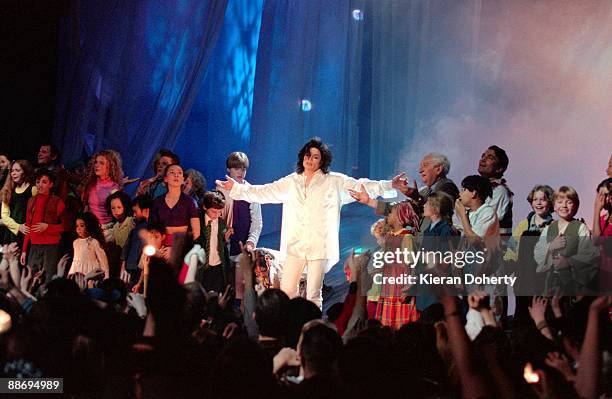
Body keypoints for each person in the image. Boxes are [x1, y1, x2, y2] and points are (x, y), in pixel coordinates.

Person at [216, 137, 401, 309]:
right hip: (295, 246)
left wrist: (388, 186)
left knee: (313, 293)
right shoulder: (292, 181)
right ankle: (291, 329)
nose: (310, 159)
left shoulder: (333, 181)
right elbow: (265, 191)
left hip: (319, 247)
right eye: (307, 155)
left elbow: (362, 185)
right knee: (287, 291)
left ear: (322, 161)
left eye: (315, 157)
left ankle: (311, 328)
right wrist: (238, 189)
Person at [534, 186, 599, 295]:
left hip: (572, 283)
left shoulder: (581, 228)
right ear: (554, 206)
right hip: (550, 282)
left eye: (569, 202)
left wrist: (568, 262)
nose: (564, 205)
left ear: (576, 206)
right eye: (559, 202)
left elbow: (588, 255)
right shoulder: (548, 228)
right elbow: (538, 254)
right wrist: (550, 247)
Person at [218, 151, 263, 301]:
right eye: (236, 168)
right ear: (229, 170)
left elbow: (257, 222)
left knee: (240, 288)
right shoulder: (220, 190)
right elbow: (216, 217)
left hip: (242, 245)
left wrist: (250, 243)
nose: (240, 172)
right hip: (223, 246)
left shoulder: (251, 191)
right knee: (223, 285)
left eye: (243, 169)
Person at [374, 152, 459, 231]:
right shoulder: (424, 191)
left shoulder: (447, 187)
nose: (420, 170)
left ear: (438, 169)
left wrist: (417, 198)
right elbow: (402, 209)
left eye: (425, 165)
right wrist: (369, 201)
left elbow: (438, 208)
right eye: (420, 166)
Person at [503, 185, 554, 300]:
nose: (539, 203)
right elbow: (513, 245)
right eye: (535, 199)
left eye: (543, 199)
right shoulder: (524, 224)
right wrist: (509, 261)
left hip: (543, 278)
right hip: (523, 277)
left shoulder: (553, 227)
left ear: (550, 202)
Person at [20, 169, 67, 283]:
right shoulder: (31, 201)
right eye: (38, 182)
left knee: (48, 279)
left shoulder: (57, 201)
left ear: (51, 184)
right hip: (34, 246)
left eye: (44, 182)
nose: (40, 185)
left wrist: (48, 227)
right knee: (30, 278)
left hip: (50, 246)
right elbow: (28, 226)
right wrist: (24, 250)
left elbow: (66, 226)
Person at [149, 164, 200, 246]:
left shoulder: (190, 202)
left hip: (183, 246)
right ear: (165, 178)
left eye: (179, 173)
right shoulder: (157, 202)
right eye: (172, 172)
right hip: (161, 246)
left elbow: (196, 232)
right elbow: (152, 228)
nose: (176, 175)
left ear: (183, 179)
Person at [195, 191, 231, 293]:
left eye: (219, 212)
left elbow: (222, 244)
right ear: (205, 207)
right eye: (213, 212)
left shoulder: (222, 223)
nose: (216, 215)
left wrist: (225, 239)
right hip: (202, 268)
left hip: (218, 267)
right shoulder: (198, 222)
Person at [80, 150, 124, 237]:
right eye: (96, 162)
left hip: (107, 231)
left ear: (110, 167)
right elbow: (86, 207)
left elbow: (118, 214)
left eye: (101, 163)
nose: (96, 165)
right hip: (90, 228)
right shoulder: (90, 185)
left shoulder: (113, 188)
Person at [477, 145, 513, 236]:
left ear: (499, 168)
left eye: (490, 158)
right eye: (483, 156)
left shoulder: (499, 191)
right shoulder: (477, 188)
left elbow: (485, 222)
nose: (483, 159)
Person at [1, 160, 35, 247]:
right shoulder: (8, 191)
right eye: (12, 171)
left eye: (17, 170)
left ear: (25, 172)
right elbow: (4, 216)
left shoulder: (33, 190)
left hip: (27, 232)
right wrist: (18, 227)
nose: (14, 173)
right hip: (11, 232)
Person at [121, 194, 153, 286]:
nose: (134, 215)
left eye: (136, 211)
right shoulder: (135, 228)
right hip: (131, 265)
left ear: (146, 211)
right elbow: (127, 245)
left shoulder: (151, 228)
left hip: (142, 266)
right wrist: (124, 261)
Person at [67, 212, 109, 279]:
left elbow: (103, 261)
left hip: (91, 272)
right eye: (77, 226)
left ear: (89, 226)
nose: (78, 228)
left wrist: (106, 277)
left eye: (82, 226)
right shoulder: (75, 242)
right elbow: (75, 262)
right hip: (77, 272)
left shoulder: (94, 242)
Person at [593, 178, 612, 292]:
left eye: (605, 195)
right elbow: (596, 240)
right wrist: (596, 210)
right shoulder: (601, 220)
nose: (602, 200)